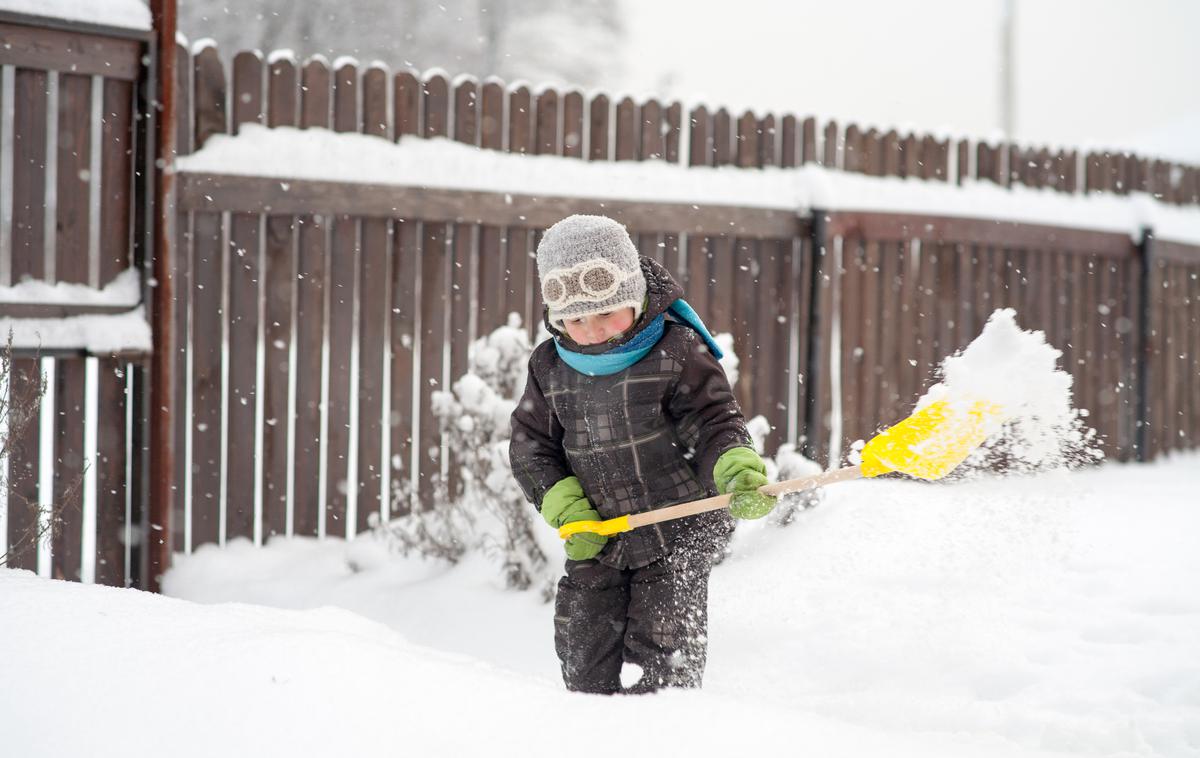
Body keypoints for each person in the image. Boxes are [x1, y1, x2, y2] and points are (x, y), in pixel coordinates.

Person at [509, 214, 776, 694]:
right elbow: (531, 445)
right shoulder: (549, 366)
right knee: (584, 649)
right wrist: (566, 505)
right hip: (600, 535)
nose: (591, 330)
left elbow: (713, 422)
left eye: (607, 313)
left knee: (662, 652)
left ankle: (659, 731)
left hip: (677, 530)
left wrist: (733, 466)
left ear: (635, 297)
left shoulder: (677, 350)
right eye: (575, 319)